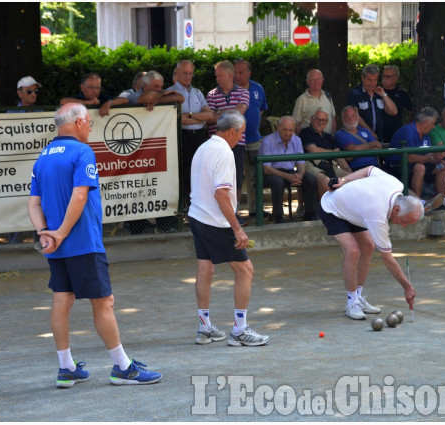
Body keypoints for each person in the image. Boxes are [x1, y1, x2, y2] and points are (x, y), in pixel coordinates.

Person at [27, 103, 162, 387]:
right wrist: (62, 232)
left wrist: (45, 233)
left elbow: (33, 202)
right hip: (82, 242)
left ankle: (66, 368)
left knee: (62, 300)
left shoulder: (43, 156)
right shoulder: (82, 152)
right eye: (88, 121)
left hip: (56, 244)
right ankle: (122, 368)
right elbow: (79, 196)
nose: (90, 126)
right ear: (77, 122)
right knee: (104, 302)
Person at [188, 109, 269, 347]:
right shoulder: (224, 152)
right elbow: (221, 193)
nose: (240, 138)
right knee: (245, 270)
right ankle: (240, 330)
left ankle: (204, 328)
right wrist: (238, 229)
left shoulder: (203, 148)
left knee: (206, 268)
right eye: (241, 134)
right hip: (216, 222)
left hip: (197, 216)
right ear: (232, 131)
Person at [319, 166, 422, 320]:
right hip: (332, 207)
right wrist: (407, 287)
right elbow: (387, 258)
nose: (404, 226)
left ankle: (358, 296)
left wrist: (345, 180)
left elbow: (369, 170)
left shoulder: (396, 185)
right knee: (353, 251)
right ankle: (351, 301)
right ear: (396, 209)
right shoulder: (378, 214)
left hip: (356, 210)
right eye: (405, 221)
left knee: (368, 246)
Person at [127, 70, 184, 233]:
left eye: (162, 86)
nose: (159, 89)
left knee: (162, 184)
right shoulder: (133, 96)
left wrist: (159, 96)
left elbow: (180, 98)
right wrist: (162, 95)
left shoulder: (159, 96)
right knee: (137, 187)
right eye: (155, 86)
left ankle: (165, 223)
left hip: (158, 150)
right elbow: (147, 98)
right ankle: (137, 226)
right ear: (144, 87)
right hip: (136, 153)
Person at [206, 61, 250, 222]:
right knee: (217, 179)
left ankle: (234, 212)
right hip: (216, 145)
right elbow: (210, 119)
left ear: (230, 75)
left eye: (220, 75)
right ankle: (219, 212)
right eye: (216, 75)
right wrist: (225, 114)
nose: (217, 78)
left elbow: (239, 114)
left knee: (236, 179)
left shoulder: (244, 93)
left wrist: (218, 112)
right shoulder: (211, 95)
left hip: (237, 143)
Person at [388, 107, 445, 211]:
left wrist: (437, 159)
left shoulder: (425, 134)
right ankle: (417, 205)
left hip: (419, 164)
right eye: (433, 123)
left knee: (441, 167)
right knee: (420, 168)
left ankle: (442, 202)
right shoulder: (408, 131)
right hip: (397, 166)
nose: (434, 127)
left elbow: (428, 154)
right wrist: (431, 157)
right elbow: (409, 158)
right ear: (426, 122)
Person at [259, 116, 319, 223]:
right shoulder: (268, 140)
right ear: (278, 128)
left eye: (291, 130)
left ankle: (310, 214)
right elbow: (266, 169)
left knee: (310, 179)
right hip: (272, 172)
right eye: (285, 130)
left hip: (290, 171)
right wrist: (288, 177)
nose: (288, 133)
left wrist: (300, 174)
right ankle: (278, 216)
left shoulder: (297, 140)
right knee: (277, 181)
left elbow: (301, 163)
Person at [171, 60, 213, 210]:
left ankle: (199, 205)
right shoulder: (171, 93)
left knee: (201, 172)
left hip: (200, 136)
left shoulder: (198, 92)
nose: (188, 76)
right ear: (177, 73)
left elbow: (209, 115)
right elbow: (178, 120)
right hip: (183, 137)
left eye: (190, 73)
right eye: (184, 73)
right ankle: (186, 207)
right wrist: (197, 116)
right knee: (185, 172)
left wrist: (188, 115)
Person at [234, 60, 268, 217]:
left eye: (241, 73)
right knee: (235, 176)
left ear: (249, 74)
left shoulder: (258, 88)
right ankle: (233, 211)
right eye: (235, 72)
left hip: (254, 140)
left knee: (255, 176)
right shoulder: (230, 89)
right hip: (234, 141)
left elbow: (261, 109)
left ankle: (255, 210)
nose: (237, 76)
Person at [299, 108, 352, 196]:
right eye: (318, 119)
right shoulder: (305, 132)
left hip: (329, 165)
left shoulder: (328, 136)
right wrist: (332, 152)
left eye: (324, 120)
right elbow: (313, 150)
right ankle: (323, 209)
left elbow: (338, 155)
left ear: (327, 122)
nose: (321, 122)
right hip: (311, 164)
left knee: (350, 179)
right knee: (325, 182)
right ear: (311, 119)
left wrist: (348, 171)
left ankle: (343, 208)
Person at [346, 64, 398, 143]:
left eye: (375, 80)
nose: (372, 83)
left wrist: (384, 95)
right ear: (363, 78)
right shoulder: (354, 93)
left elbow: (393, 112)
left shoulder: (379, 93)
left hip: (379, 137)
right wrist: (369, 132)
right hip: (360, 137)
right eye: (369, 80)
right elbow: (355, 115)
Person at [334, 106, 382, 172]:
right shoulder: (340, 134)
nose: (351, 119)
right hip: (358, 169)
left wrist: (357, 152)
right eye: (347, 117)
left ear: (357, 118)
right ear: (342, 119)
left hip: (375, 167)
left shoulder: (365, 130)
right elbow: (352, 149)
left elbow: (378, 147)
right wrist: (372, 144)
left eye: (353, 116)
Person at [58, 73, 128, 117]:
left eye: (97, 88)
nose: (95, 91)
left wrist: (109, 103)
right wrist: (87, 103)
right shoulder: (77, 98)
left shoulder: (102, 98)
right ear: (82, 88)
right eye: (91, 87)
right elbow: (63, 101)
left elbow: (125, 100)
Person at [292, 69, 336, 135]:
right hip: (310, 142)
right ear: (307, 81)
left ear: (322, 80)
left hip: (328, 141)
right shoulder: (301, 100)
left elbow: (332, 117)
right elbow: (296, 123)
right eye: (313, 80)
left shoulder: (327, 96)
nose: (316, 82)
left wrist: (333, 135)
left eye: (318, 79)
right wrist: (303, 140)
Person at [381, 65, 413, 144]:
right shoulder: (377, 91)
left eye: (388, 77)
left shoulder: (402, 93)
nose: (385, 79)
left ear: (396, 78)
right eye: (383, 76)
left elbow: (411, 110)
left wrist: (409, 126)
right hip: (378, 132)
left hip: (396, 131)